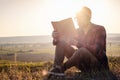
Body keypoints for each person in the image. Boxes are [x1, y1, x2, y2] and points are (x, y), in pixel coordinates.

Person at [50, 7, 109, 74]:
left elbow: (97, 49)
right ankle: (56, 68)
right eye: (76, 18)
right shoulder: (77, 31)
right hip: (84, 66)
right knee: (62, 43)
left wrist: (77, 43)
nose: (77, 20)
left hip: (99, 66)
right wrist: (56, 37)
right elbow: (61, 42)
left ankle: (61, 69)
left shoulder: (99, 29)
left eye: (79, 18)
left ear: (88, 17)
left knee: (82, 51)